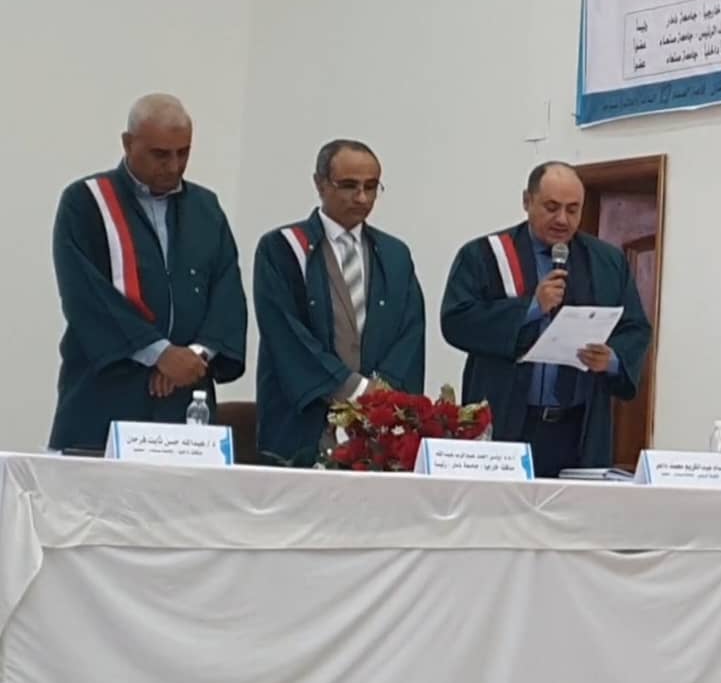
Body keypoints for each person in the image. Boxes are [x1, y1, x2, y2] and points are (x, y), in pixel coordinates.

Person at [49, 94, 248, 451]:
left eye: (183, 153)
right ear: (128, 143)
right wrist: (159, 354)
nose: (173, 166)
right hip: (106, 393)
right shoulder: (87, 202)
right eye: (160, 154)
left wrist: (193, 357)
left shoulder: (206, 208)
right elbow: (85, 294)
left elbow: (226, 292)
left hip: (186, 400)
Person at [440, 161, 651, 477]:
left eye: (572, 209)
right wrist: (531, 308)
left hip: (578, 428)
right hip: (507, 421)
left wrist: (611, 360)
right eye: (551, 207)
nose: (562, 219)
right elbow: (456, 321)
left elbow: (635, 328)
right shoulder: (485, 255)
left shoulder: (607, 261)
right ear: (527, 201)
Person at [254, 139, 425, 467]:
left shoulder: (394, 255)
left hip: (377, 428)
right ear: (319, 184)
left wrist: (382, 394)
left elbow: (410, 331)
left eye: (371, 187)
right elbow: (285, 333)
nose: (361, 198)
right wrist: (353, 389)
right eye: (348, 186)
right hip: (304, 422)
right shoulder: (283, 248)